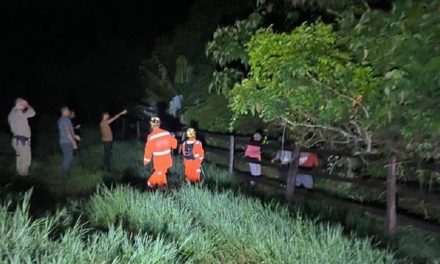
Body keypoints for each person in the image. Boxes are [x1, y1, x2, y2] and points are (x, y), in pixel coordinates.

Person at [143, 117, 177, 188]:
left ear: (151, 125)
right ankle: (163, 187)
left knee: (159, 172)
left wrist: (146, 160)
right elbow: (174, 145)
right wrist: (173, 138)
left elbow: (148, 150)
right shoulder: (166, 133)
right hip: (167, 158)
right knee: (162, 173)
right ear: (159, 124)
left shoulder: (151, 137)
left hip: (158, 160)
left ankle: (150, 184)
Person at [7, 98, 36, 176]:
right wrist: (28, 105)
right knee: (26, 157)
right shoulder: (19, 113)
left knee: (20, 158)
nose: (24, 107)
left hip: (16, 140)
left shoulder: (11, 114)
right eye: (23, 105)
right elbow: (33, 113)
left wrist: (24, 105)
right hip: (22, 140)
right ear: (19, 104)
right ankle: (24, 174)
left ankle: (20, 174)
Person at [58, 106, 80, 174]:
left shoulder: (61, 119)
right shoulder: (65, 120)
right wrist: (74, 143)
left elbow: (68, 130)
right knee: (68, 158)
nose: (69, 112)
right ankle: (64, 174)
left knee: (69, 157)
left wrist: (75, 136)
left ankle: (67, 171)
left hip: (64, 141)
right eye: (68, 111)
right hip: (67, 141)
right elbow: (68, 132)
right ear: (64, 111)